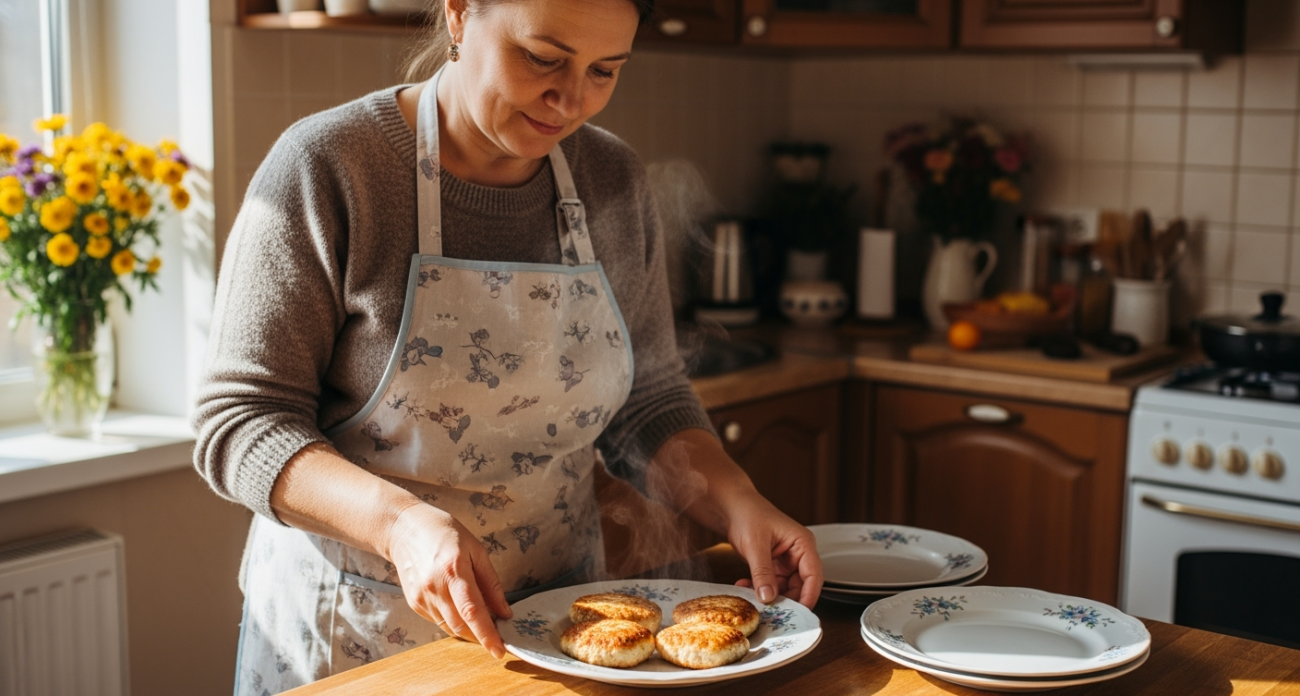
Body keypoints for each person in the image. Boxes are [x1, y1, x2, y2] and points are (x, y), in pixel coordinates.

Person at [193, 0, 822, 692]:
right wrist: (400, 524)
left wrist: (737, 501)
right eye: (543, 59)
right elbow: (241, 425)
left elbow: (647, 401)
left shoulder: (611, 178)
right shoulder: (331, 168)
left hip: (562, 634)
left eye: (605, 70)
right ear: (460, 14)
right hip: (362, 637)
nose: (571, 98)